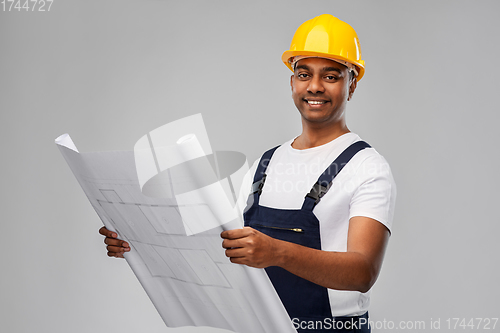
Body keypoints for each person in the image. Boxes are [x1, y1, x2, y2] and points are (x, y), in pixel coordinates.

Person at [100, 14, 396, 333]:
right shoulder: (264, 165)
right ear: (292, 81)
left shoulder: (366, 166)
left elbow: (363, 273)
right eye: (303, 73)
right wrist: (139, 245)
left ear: (352, 83)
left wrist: (277, 252)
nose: (314, 86)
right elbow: (226, 253)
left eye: (331, 76)